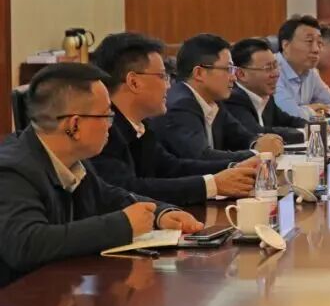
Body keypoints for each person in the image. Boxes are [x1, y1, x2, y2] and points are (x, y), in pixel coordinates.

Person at [0, 64, 202, 286]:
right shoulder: (12, 170)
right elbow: (26, 244)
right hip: (18, 301)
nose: (110, 126)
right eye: (106, 115)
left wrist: (160, 213)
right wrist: (122, 225)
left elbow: (109, 197)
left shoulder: (72, 159)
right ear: (74, 125)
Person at [90, 32, 258, 205]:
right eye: (163, 76)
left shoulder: (140, 125)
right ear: (134, 82)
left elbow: (171, 167)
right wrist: (212, 185)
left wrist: (234, 168)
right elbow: (128, 189)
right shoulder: (103, 129)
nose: (169, 85)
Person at [151, 33, 284, 163]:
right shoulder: (181, 106)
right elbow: (201, 157)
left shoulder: (214, 101)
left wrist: (257, 142)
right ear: (199, 73)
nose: (234, 77)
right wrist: (257, 153)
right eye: (228, 69)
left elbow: (240, 136)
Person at [225, 37, 308, 144]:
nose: (276, 74)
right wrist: (305, 133)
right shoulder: (233, 98)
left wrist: (314, 126)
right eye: (268, 68)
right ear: (241, 74)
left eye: (275, 66)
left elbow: (289, 121)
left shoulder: (264, 95)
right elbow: (256, 133)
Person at [274, 15, 330, 119]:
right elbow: (289, 115)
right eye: (309, 41)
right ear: (286, 45)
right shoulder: (271, 70)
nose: (316, 49)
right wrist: (311, 110)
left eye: (319, 43)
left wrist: (323, 113)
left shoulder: (311, 72)